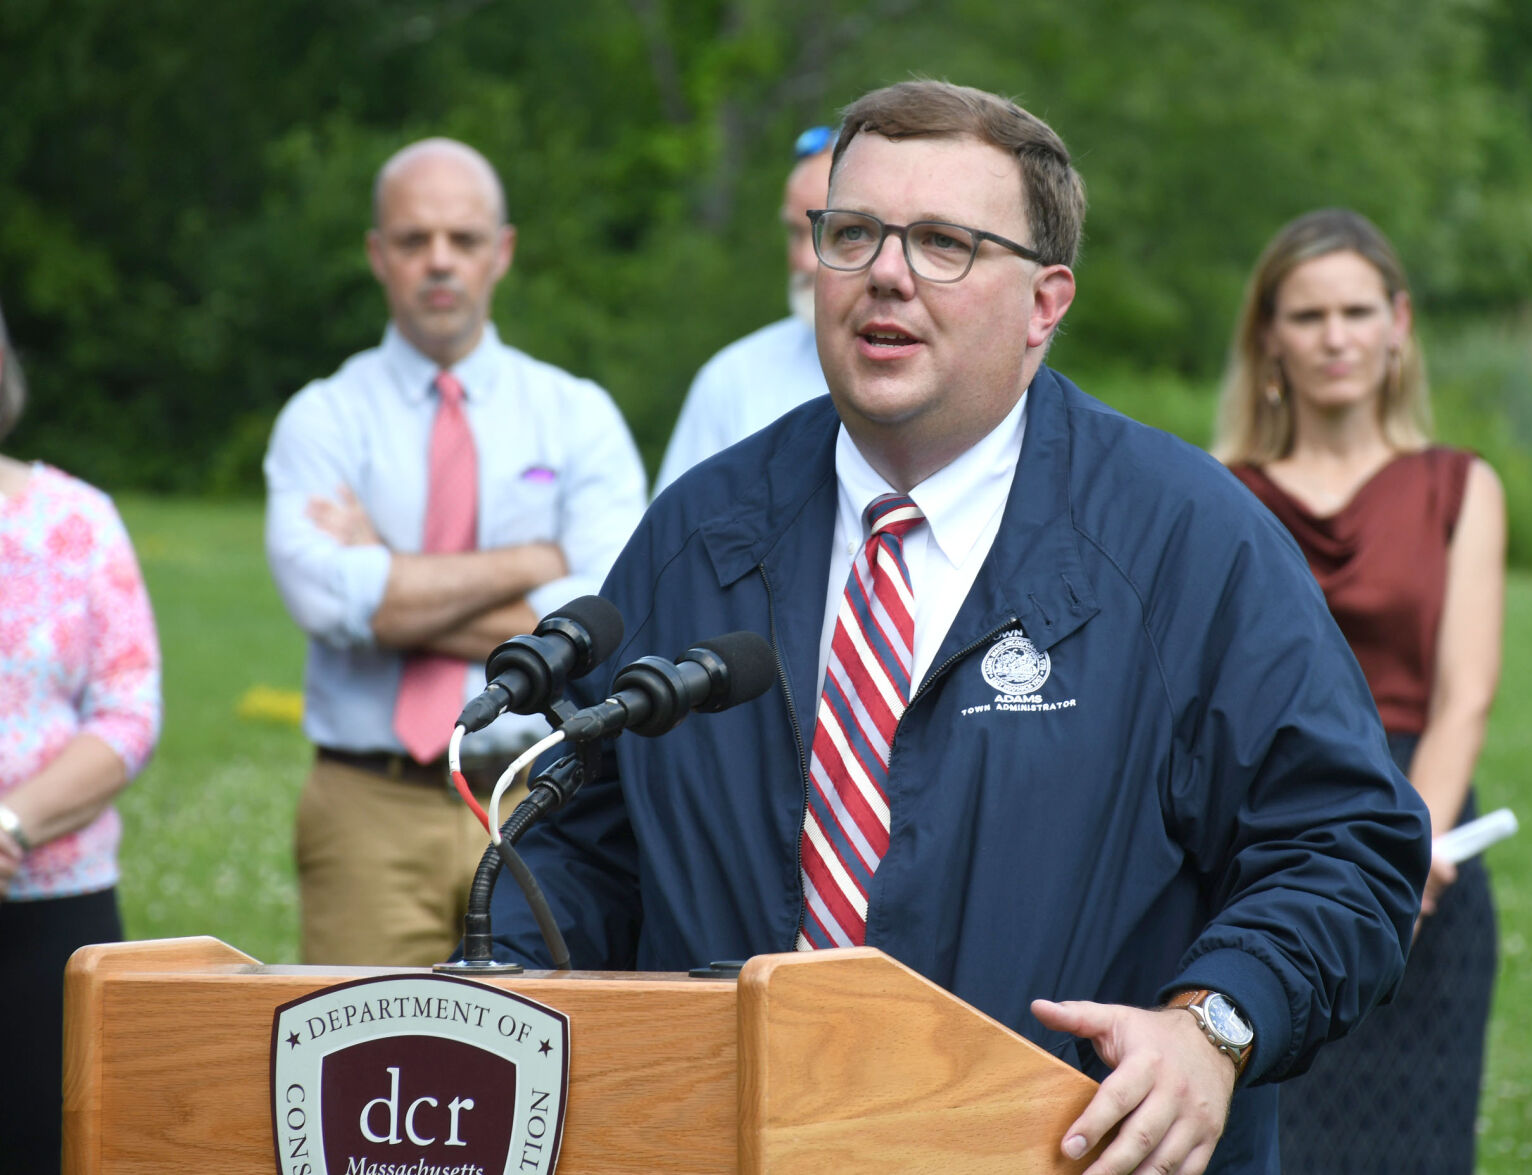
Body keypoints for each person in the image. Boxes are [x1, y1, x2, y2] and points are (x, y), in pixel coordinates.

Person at [492, 82, 1429, 1174]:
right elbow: (587, 853)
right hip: (725, 1140)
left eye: (942, 242)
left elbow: (1345, 846)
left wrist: (1212, 1026)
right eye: (851, 234)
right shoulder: (698, 530)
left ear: (1044, 302)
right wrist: (493, 993)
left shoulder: (1186, 540)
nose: (885, 272)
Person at [263, 138, 647, 967]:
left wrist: (393, 580)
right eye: (412, 239)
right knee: (358, 1061)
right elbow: (331, 601)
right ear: (377, 254)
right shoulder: (321, 419)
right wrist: (539, 558)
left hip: (542, 800)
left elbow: (605, 613)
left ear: (501, 251)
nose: (439, 261)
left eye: (463, 239)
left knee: (544, 1058)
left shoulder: (576, 415)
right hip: (370, 802)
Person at [1214, 208, 1506, 1174]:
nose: (1334, 337)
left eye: (1354, 311)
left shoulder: (1459, 486)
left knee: (1413, 1143)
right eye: (1306, 316)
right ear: (1268, 336)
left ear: (1398, 324)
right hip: (1260, 850)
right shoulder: (1214, 490)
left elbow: (1464, 691)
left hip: (1425, 850)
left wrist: (1406, 847)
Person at [0, 300, 163, 1170]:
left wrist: (9, 824)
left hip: (54, 910)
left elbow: (129, 711)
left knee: (52, 1142)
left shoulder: (79, 521)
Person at [651, 126, 835, 493]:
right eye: (794, 233)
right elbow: (674, 545)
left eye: (833, 232)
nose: (802, 260)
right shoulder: (734, 379)